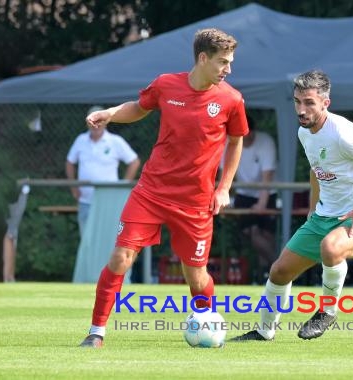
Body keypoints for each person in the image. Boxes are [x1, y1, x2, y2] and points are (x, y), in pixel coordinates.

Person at [79, 28, 248, 348]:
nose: (229, 69)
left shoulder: (231, 99)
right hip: (151, 192)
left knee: (196, 277)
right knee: (120, 258)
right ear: (202, 58)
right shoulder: (166, 84)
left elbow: (236, 140)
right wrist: (111, 114)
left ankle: (206, 325)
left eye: (230, 62)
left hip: (196, 201)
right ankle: (96, 332)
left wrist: (224, 187)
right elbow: (140, 107)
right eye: (223, 62)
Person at [232, 70, 353, 341]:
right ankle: (264, 332)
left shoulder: (344, 133)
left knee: (331, 248)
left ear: (325, 103)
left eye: (309, 102)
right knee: (279, 271)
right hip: (324, 215)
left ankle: (327, 312)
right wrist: (313, 208)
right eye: (297, 101)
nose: (301, 109)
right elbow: (316, 170)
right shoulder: (305, 132)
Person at [66, 105, 141, 237]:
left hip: (109, 202)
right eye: (93, 120)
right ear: (87, 122)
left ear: (105, 121)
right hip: (85, 201)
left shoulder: (115, 141)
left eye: (99, 120)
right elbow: (69, 163)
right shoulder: (80, 140)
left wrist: (123, 185)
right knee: (86, 242)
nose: (96, 124)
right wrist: (73, 187)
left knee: (109, 240)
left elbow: (134, 161)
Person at [231, 114, 278, 281]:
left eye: (247, 134)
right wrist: (224, 199)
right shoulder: (229, 141)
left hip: (267, 193)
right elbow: (225, 174)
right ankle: (282, 270)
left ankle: (268, 276)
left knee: (266, 236)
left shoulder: (266, 143)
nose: (245, 139)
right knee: (252, 232)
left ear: (253, 130)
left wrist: (262, 203)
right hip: (243, 194)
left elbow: (268, 176)